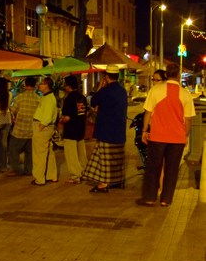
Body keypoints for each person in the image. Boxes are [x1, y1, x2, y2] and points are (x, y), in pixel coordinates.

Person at [137, 63, 196, 207]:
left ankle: (150, 198)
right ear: (178, 75)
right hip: (177, 138)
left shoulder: (156, 90)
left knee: (153, 167)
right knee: (172, 169)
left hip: (158, 137)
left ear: (166, 74)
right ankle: (166, 200)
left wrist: (145, 131)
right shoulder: (185, 93)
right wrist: (185, 136)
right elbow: (188, 119)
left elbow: (148, 112)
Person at [82, 65, 127, 193]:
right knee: (116, 158)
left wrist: (101, 86)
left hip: (106, 130)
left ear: (106, 77)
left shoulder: (105, 91)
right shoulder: (122, 91)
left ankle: (103, 184)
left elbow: (93, 101)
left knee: (104, 160)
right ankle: (117, 181)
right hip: (119, 131)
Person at [6, 77, 40, 177]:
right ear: (35, 86)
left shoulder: (20, 97)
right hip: (32, 130)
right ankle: (29, 170)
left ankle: (15, 169)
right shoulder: (38, 98)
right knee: (29, 152)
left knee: (13, 149)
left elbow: (13, 110)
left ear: (25, 85)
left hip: (20, 129)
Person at [59, 75, 88, 184]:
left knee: (71, 154)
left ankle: (75, 175)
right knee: (81, 153)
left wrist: (61, 121)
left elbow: (66, 117)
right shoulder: (82, 97)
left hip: (71, 130)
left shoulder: (69, 98)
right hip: (80, 128)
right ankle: (85, 172)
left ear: (68, 86)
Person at [31, 77, 58, 186]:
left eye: (41, 83)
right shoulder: (48, 97)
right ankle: (51, 175)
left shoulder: (48, 98)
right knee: (48, 152)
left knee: (39, 154)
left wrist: (41, 126)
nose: (39, 85)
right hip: (46, 127)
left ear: (47, 85)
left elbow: (47, 116)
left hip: (43, 127)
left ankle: (39, 178)